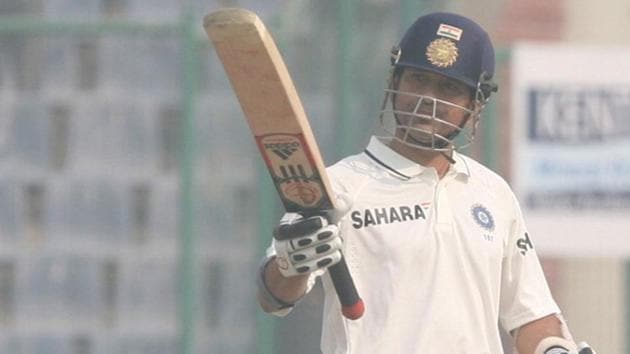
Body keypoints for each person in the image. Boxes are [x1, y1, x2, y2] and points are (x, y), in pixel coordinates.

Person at [256, 12, 595, 354]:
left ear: (476, 104)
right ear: (395, 81)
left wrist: (555, 350)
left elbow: (530, 314)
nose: (427, 99)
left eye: (448, 88)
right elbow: (273, 297)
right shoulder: (340, 185)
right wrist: (291, 263)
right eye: (418, 79)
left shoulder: (493, 193)